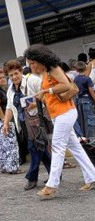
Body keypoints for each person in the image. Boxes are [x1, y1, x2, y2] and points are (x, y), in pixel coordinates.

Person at [24, 44, 95, 198]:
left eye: (32, 62)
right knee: (74, 147)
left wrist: (46, 91)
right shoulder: (46, 71)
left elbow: (66, 85)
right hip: (61, 113)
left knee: (57, 147)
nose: (31, 66)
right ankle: (92, 177)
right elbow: (54, 91)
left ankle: (52, 185)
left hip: (64, 113)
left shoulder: (53, 69)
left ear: (40, 60)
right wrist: (41, 98)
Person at [2, 59, 50, 189]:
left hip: (36, 121)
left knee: (34, 147)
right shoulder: (11, 90)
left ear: (21, 71)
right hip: (23, 122)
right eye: (11, 75)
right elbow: (9, 107)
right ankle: (54, 173)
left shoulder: (32, 80)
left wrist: (36, 102)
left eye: (16, 73)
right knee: (41, 148)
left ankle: (32, 177)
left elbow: (48, 96)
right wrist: (6, 123)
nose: (14, 77)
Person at [0, 68, 23, 175]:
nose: (3, 79)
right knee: (10, 142)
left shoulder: (0, 88)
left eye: (4, 77)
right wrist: (4, 119)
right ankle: (13, 167)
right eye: (0, 78)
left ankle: (4, 166)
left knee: (2, 144)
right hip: (1, 118)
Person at [74, 61, 95, 140]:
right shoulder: (88, 79)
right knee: (89, 119)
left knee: (81, 119)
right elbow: (91, 90)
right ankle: (91, 137)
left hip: (79, 100)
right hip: (87, 100)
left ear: (76, 70)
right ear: (86, 68)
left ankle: (83, 137)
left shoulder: (76, 79)